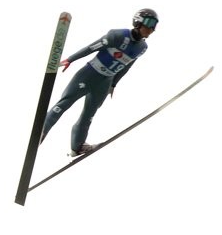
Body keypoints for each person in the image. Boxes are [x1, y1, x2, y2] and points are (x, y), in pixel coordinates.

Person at [41, 8, 158, 156]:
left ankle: (77, 146)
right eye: (149, 23)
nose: (152, 29)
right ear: (138, 21)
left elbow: (126, 66)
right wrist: (70, 59)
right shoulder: (117, 35)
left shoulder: (142, 47)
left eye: (155, 25)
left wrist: (114, 84)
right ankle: (42, 131)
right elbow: (91, 47)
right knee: (64, 103)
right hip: (89, 74)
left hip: (105, 82)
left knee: (88, 115)